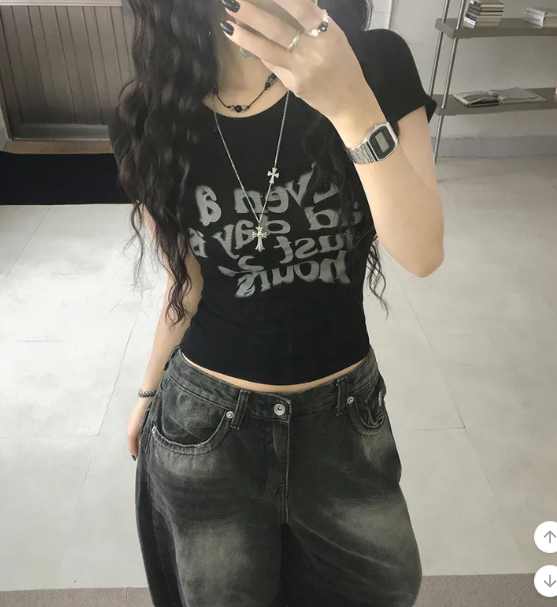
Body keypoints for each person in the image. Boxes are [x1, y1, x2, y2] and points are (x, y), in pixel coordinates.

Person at [108, 0, 444, 604]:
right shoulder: (154, 113)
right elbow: (187, 283)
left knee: (387, 586)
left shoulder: (374, 62)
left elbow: (422, 252)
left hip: (342, 418)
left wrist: (348, 101)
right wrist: (147, 391)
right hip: (207, 425)